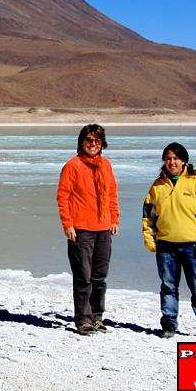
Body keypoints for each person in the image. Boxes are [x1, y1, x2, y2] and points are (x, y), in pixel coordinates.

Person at [142, 142, 196, 340]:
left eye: (176, 158)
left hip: (193, 246)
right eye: (168, 159)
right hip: (166, 246)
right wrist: (150, 240)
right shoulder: (158, 185)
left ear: (184, 161)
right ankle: (169, 324)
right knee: (168, 287)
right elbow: (148, 216)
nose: (172, 162)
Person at [56, 124, 120, 336]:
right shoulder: (72, 166)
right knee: (83, 276)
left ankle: (97, 316)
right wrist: (68, 224)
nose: (93, 144)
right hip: (81, 230)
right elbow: (63, 197)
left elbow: (111, 194)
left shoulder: (106, 165)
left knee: (99, 276)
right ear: (81, 142)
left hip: (103, 228)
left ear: (102, 144)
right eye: (89, 140)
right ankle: (83, 319)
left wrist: (114, 219)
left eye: (97, 141)